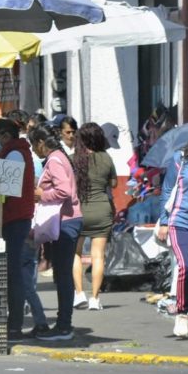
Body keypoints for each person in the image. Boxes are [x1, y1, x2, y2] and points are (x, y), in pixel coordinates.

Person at [28, 123, 82, 341]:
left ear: (41, 143)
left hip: (66, 222)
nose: (32, 149)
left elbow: (63, 191)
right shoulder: (59, 156)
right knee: (62, 274)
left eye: (33, 144)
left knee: (63, 275)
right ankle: (63, 323)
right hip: (67, 220)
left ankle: (63, 326)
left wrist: (41, 194)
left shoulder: (55, 159)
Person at [157, 120, 188, 341]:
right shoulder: (181, 159)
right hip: (182, 222)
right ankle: (182, 312)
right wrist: (165, 221)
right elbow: (167, 190)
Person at [0, 118, 35, 342]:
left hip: (14, 218)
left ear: (5, 136)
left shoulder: (15, 154)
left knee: (13, 271)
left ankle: (15, 325)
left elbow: (7, 188)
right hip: (10, 217)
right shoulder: (13, 152)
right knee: (10, 270)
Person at [72, 123, 117, 311]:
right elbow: (113, 184)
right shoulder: (106, 158)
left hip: (78, 211)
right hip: (101, 210)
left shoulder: (73, 159)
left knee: (76, 253)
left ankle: (79, 294)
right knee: (98, 256)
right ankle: (95, 298)